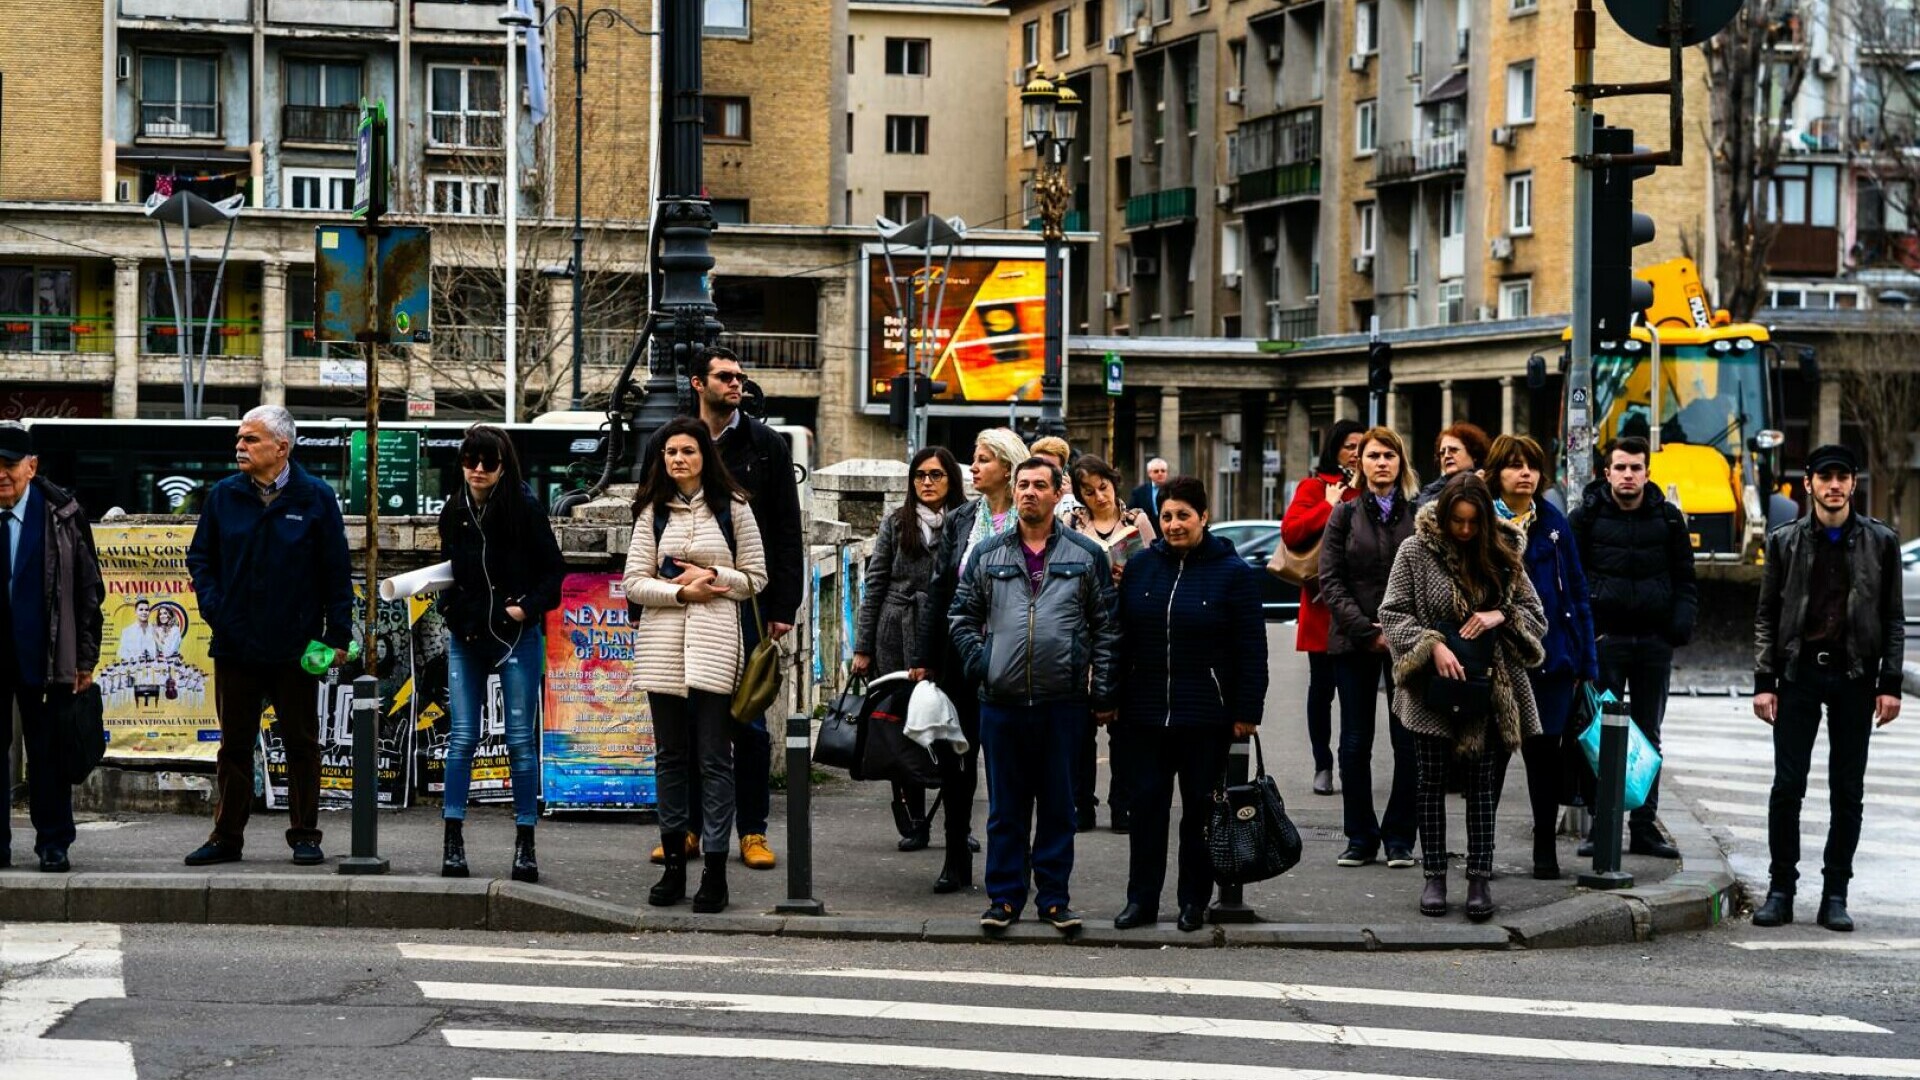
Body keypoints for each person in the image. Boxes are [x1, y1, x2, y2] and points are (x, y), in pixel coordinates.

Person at [648, 346, 803, 873]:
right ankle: (689, 828)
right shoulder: (668, 441)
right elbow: (648, 518)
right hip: (679, 607)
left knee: (748, 722)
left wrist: (784, 604)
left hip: (744, 604)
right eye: (725, 376)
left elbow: (786, 528)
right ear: (699, 383)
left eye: (739, 376)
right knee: (687, 720)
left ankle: (752, 829)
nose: (736, 383)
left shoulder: (765, 444)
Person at [949, 457, 1119, 934]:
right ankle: (1003, 899)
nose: (1028, 493)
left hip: (1062, 701)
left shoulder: (1085, 556)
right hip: (1000, 701)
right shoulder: (988, 554)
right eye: (1022, 484)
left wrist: (1100, 689)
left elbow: (1106, 629)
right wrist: (982, 663)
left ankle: (1054, 899)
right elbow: (961, 617)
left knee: (1058, 808)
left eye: (1038, 485)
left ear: (1056, 493)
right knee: (1005, 808)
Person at [183, 406, 353, 868]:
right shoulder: (224, 495)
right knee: (234, 746)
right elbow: (201, 559)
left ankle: (304, 835)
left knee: (301, 743)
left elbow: (336, 572)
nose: (240, 446)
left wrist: (337, 636)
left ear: (282, 447)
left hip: (297, 646)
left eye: (251, 439)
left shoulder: (314, 497)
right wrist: (217, 610)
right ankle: (226, 837)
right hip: (236, 644)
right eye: (240, 438)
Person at [1751, 445, 1904, 933]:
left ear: (1853, 485)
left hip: (1855, 678)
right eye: (1825, 477)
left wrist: (1891, 683)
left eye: (1842, 477)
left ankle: (1835, 893)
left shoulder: (1881, 542)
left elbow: (1893, 618)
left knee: (1848, 791)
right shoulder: (1784, 541)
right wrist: (1764, 682)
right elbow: (1767, 615)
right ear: (1809, 484)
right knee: (1787, 788)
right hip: (1798, 676)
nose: (1833, 486)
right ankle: (1781, 890)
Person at [1380, 473, 1546, 921]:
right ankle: (1434, 875)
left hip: (1490, 689)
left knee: (1481, 787)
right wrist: (1430, 645)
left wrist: (1499, 615)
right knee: (1430, 783)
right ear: (1446, 515)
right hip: (1430, 690)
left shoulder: (1504, 552)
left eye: (1475, 523)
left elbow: (1535, 617)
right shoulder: (1415, 550)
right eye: (1458, 521)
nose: (1466, 531)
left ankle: (1479, 877)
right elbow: (1392, 612)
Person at [625, 416, 768, 915]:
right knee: (669, 758)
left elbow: (756, 578)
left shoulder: (735, 508)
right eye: (670, 452)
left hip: (714, 646)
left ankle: (714, 870)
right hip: (662, 646)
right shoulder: (652, 513)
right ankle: (672, 868)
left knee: (713, 758)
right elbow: (634, 583)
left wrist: (713, 576)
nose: (678, 459)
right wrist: (682, 591)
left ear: (705, 455)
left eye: (687, 450)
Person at [1112, 476, 1266, 931]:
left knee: (1200, 812)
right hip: (1143, 713)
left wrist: (1247, 711)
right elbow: (1121, 640)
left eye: (1183, 516)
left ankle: (1192, 902)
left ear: (1204, 518)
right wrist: (1111, 697)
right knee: (1146, 811)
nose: (1174, 525)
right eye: (1166, 517)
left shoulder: (1233, 573)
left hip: (1206, 714)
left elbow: (1251, 648)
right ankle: (1141, 900)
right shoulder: (1142, 568)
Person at [435, 424, 565, 883]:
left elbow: (554, 575)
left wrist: (522, 608)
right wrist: (447, 605)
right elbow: (451, 568)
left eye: (489, 462)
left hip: (514, 634)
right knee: (463, 737)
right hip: (467, 633)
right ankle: (453, 841)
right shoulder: (455, 509)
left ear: (504, 465)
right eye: (471, 460)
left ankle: (525, 844)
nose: (478, 470)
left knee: (519, 742)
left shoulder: (525, 508)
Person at [1569, 435, 1696, 860]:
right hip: (1606, 642)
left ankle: (1644, 826)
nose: (1628, 475)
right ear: (1607, 473)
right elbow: (1572, 578)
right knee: (1599, 735)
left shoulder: (1669, 520)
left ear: (1647, 472)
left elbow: (1685, 580)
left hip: (1653, 644)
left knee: (1649, 735)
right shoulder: (1585, 518)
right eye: (1620, 468)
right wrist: (1589, 633)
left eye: (1635, 468)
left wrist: (1675, 629)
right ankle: (1601, 825)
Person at [913, 427, 1028, 894]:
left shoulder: (1030, 517)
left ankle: (1011, 863)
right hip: (961, 656)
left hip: (1015, 659)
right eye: (973, 458)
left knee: (1010, 766)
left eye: (982, 460)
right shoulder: (961, 518)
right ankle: (955, 856)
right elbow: (939, 587)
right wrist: (926, 658)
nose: (972, 468)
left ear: (1006, 467)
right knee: (956, 763)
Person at [1485, 434, 1598, 880]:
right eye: (1514, 466)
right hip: (1498, 664)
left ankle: (1544, 849)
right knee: (1491, 760)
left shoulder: (1554, 522)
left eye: (1531, 465)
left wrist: (1586, 663)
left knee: (1544, 760)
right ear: (1498, 473)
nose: (1525, 473)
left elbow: (1578, 592)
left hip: (1552, 663)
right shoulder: (1481, 520)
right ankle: (1482, 850)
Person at [0, 421, 104, 873]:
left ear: (31, 465)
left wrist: (84, 658)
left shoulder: (61, 512)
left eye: (8, 465)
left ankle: (54, 843)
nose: (1, 474)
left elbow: (88, 589)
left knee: (49, 754)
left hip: (47, 655)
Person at [853, 445, 968, 852]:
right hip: (896, 632)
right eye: (920, 475)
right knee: (904, 728)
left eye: (936, 475)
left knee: (952, 730)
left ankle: (957, 821)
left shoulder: (967, 523)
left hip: (947, 634)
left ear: (951, 480)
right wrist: (863, 646)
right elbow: (875, 584)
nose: (927, 483)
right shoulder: (895, 523)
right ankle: (913, 820)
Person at [1317, 425, 1420, 870]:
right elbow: (1330, 580)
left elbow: (1427, 579)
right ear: (1359, 463)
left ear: (1401, 463)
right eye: (1373, 456)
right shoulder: (1344, 514)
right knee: (1355, 743)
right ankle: (1360, 837)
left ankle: (1400, 838)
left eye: (1389, 456)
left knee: (1409, 743)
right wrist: (1365, 628)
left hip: (1408, 645)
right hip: (1353, 641)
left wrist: (1398, 631)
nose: (1381, 463)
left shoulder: (1418, 516)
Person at [1068, 453, 1156, 833]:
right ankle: (1081, 805)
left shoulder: (1137, 521)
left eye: (1102, 487)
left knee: (1125, 731)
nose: (1098, 496)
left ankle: (1123, 806)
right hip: (1083, 628)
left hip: (1128, 629)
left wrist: (1130, 579)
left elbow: (1156, 567)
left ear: (1113, 482)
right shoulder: (1072, 524)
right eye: (1088, 491)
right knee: (1080, 729)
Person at [1281, 418, 1366, 797]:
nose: (1358, 453)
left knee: (1356, 694)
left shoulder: (1373, 487)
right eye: (1351, 446)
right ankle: (1322, 763)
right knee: (1322, 690)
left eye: (1363, 446)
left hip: (1362, 605)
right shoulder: (1316, 487)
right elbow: (1292, 532)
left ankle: (1351, 763)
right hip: (1321, 603)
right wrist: (1328, 506)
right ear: (1334, 449)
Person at [1415, 422, 1491, 506]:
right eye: (1442, 453)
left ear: (1473, 454)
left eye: (1453, 450)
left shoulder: (1488, 482)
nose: (1446, 456)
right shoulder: (1430, 490)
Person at [1029, 436, 1081, 519]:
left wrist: (1068, 497)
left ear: (1062, 471)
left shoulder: (1072, 500)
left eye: (1050, 467)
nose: (1043, 471)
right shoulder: (1023, 492)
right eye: (1037, 464)